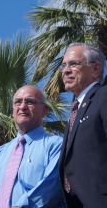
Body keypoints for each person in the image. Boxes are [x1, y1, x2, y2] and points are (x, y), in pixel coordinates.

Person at [0, 85, 66, 208]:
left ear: (45, 110)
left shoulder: (56, 145)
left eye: (30, 102)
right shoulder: (0, 153)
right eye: (17, 102)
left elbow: (51, 186)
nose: (22, 107)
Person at [58, 43, 107, 207]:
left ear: (96, 69)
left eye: (73, 64)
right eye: (63, 65)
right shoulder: (76, 109)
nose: (65, 71)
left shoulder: (103, 96)